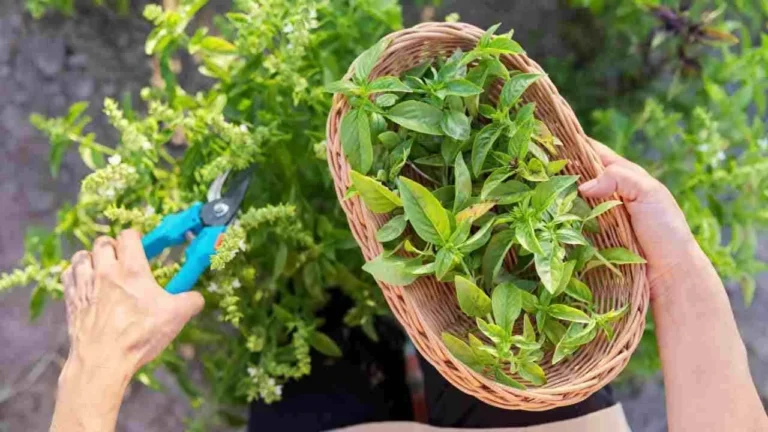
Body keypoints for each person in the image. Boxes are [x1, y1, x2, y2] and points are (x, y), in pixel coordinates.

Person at [49, 142, 768, 432]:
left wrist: (95, 367)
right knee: (423, 280)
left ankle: (335, 302)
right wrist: (677, 269)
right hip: (544, 405)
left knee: (318, 331)